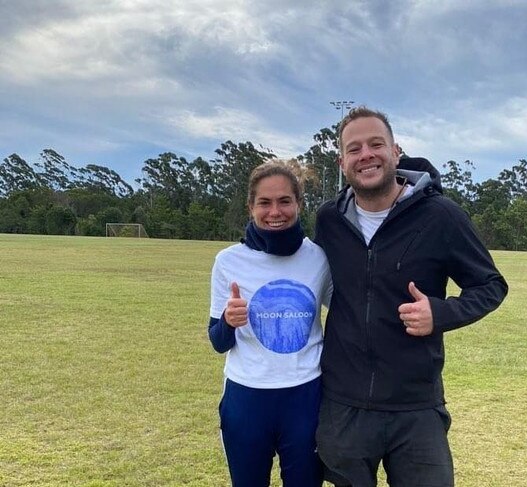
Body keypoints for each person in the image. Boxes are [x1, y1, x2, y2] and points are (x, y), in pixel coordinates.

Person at [314, 107, 508, 487]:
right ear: (341, 162)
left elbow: (490, 285)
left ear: (396, 151)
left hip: (416, 406)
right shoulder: (328, 220)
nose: (366, 155)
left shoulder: (441, 216)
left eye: (376, 144)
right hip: (343, 406)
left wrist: (441, 313)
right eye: (354, 149)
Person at [208, 161, 332, 487]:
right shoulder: (227, 262)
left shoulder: (318, 257)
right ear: (250, 207)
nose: (274, 211)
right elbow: (218, 341)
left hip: (305, 397)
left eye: (284, 201)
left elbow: (350, 309)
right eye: (264, 202)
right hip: (246, 399)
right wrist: (228, 321)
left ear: (299, 204)